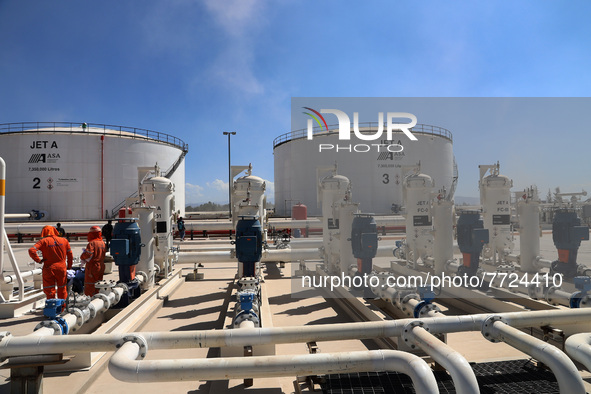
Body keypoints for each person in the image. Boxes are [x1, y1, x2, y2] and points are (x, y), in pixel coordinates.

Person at [28, 225, 73, 300]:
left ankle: (51, 306)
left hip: (49, 268)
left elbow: (31, 250)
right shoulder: (64, 241)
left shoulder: (43, 241)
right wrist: (69, 266)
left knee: (49, 290)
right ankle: (62, 307)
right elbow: (70, 255)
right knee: (62, 288)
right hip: (61, 268)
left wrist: (38, 260)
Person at [80, 226, 107, 296]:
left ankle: (90, 301)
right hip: (101, 266)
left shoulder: (92, 243)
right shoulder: (102, 243)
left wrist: (82, 256)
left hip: (92, 267)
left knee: (90, 285)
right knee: (98, 284)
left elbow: (88, 254)